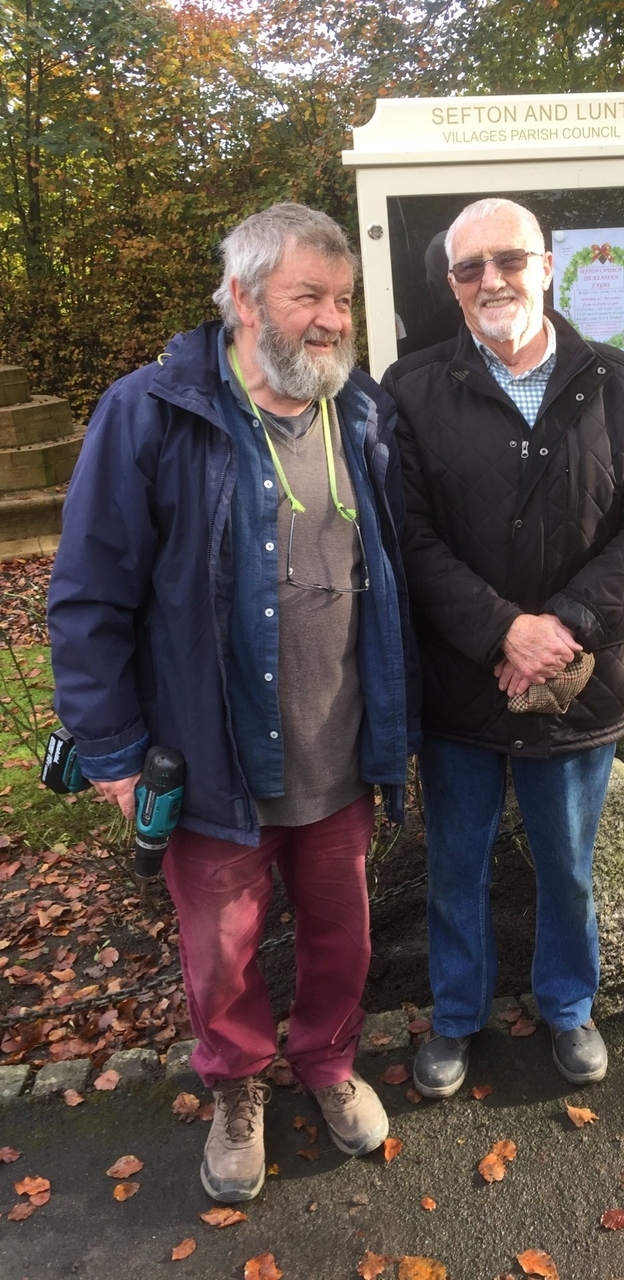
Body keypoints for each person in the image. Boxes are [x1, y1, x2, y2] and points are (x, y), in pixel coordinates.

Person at [47, 203, 419, 1201]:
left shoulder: (361, 412)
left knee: (344, 936)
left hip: (340, 752)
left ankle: (328, 1062)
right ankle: (237, 1086)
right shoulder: (151, 413)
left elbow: (399, 569)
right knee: (221, 955)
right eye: (308, 297)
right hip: (213, 762)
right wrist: (112, 749)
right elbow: (88, 594)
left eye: (342, 299)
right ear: (244, 300)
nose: (333, 319)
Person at [382, 197, 624, 1098]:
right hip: (462, 681)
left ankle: (568, 1005)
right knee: (455, 869)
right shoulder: (411, 388)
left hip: (576, 680)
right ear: (451, 285)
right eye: (469, 268)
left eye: (509, 260)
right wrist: (500, 630)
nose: (491, 281)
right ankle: (456, 1016)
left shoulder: (619, 382)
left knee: (568, 867)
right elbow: (408, 533)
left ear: (546, 266)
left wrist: (562, 625)